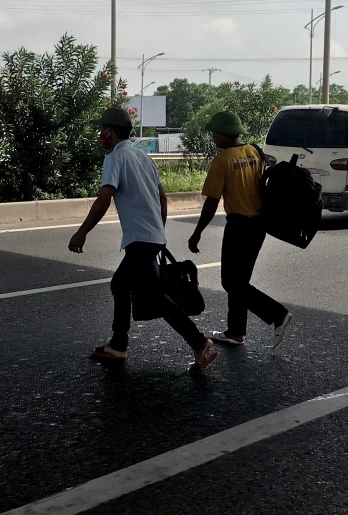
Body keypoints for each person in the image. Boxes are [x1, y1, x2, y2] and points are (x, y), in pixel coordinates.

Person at [69, 107, 218, 372]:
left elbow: (105, 197)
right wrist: (158, 231)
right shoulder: (143, 156)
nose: (100, 135)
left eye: (103, 130)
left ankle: (198, 342)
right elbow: (162, 197)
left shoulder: (116, 158)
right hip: (151, 237)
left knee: (156, 297)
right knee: (120, 285)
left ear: (111, 132)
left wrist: (82, 231)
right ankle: (119, 344)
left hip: (140, 240)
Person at [188, 111, 294, 349]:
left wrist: (197, 233)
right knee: (239, 281)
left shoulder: (222, 160)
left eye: (215, 133)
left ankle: (277, 313)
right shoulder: (255, 152)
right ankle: (236, 332)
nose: (213, 137)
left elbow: (212, 201)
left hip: (239, 226)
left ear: (225, 135)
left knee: (231, 282)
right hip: (259, 226)